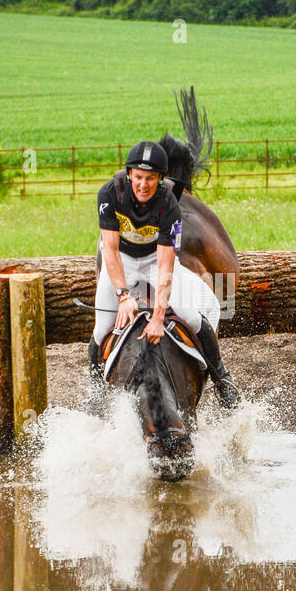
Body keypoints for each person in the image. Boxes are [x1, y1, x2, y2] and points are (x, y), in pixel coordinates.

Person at [89, 140, 239, 406]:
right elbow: (110, 250)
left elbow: (167, 263)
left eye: (150, 178)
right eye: (138, 177)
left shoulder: (169, 204)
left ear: (160, 179)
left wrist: (158, 317)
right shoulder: (109, 194)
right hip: (121, 258)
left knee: (191, 317)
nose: (143, 184)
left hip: (155, 260)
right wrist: (123, 296)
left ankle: (222, 378)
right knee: (101, 330)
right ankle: (96, 393)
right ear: (129, 174)